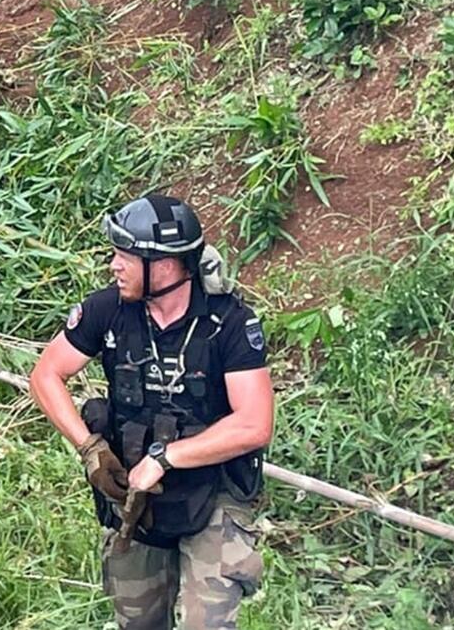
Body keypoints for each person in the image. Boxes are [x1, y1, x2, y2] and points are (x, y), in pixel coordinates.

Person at [29, 194, 274, 630]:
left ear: (163, 264)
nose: (113, 265)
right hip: (135, 500)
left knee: (207, 624)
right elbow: (46, 376)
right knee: (138, 623)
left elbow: (254, 424)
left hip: (212, 492)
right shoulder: (108, 310)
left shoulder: (229, 323)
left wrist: (165, 458)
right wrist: (90, 448)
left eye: (124, 255)